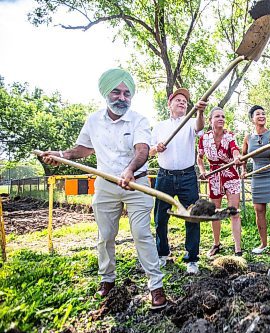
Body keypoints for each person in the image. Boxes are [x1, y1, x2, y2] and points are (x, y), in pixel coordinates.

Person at [40, 68, 167, 309]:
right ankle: (107, 279)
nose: (122, 98)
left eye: (127, 94)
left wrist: (129, 171)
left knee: (142, 234)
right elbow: (83, 149)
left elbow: (142, 149)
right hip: (106, 186)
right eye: (117, 92)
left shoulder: (139, 120)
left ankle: (156, 286)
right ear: (106, 94)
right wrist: (61, 155)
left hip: (137, 184)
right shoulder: (94, 120)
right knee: (106, 236)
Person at [150, 88, 207, 275]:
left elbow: (199, 128)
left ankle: (192, 259)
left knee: (192, 217)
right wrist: (156, 148)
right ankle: (163, 254)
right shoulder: (159, 126)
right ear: (169, 104)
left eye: (185, 101)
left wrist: (199, 111)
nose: (183, 103)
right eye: (178, 100)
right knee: (160, 218)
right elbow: (149, 150)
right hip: (164, 176)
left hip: (187, 177)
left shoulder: (190, 121)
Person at [240, 105, 270, 261]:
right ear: (252, 119)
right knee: (258, 209)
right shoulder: (248, 137)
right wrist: (242, 170)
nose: (261, 116)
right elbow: (243, 156)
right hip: (257, 175)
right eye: (258, 114)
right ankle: (263, 244)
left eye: (263, 113)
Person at [197, 107, 242, 257]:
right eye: (217, 116)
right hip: (214, 175)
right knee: (215, 211)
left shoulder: (230, 136)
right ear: (210, 121)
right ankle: (216, 244)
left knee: (234, 211)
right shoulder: (204, 138)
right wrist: (203, 171)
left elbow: (235, 149)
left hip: (231, 174)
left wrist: (236, 157)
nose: (221, 118)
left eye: (223, 116)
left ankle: (238, 249)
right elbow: (200, 158)